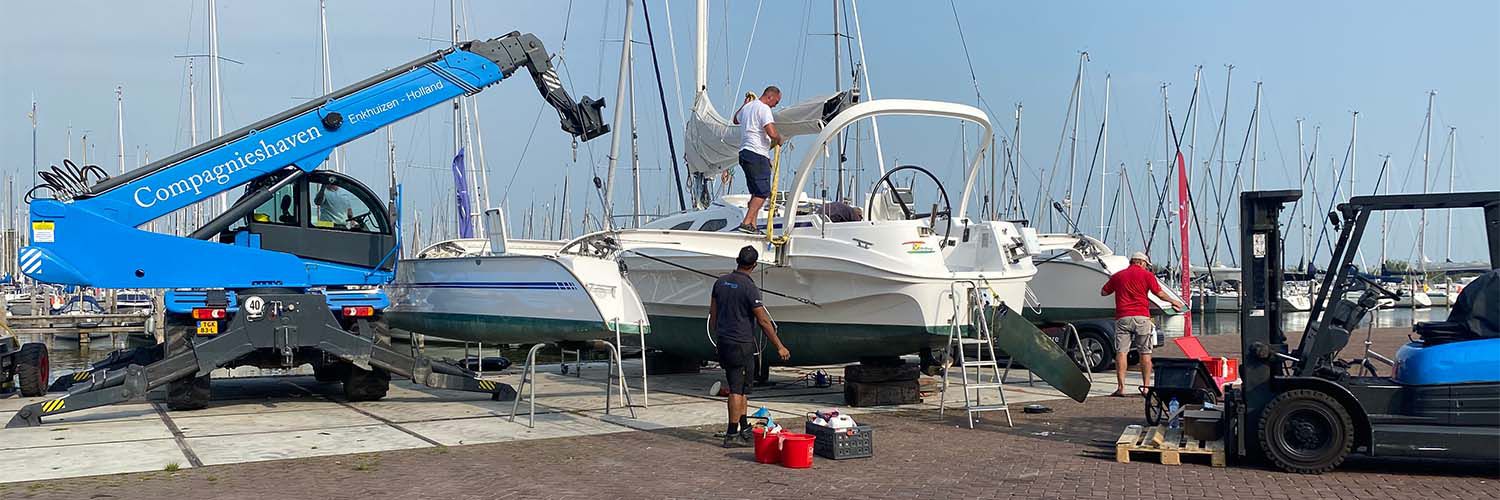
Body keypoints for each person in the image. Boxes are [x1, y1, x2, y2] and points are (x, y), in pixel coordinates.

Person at [708, 245, 791, 447]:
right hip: (742, 344)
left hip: (725, 342)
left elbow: (713, 315)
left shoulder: (720, 282)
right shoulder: (749, 287)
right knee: (737, 389)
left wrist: (719, 337)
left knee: (744, 388)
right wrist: (779, 346)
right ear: (754, 265)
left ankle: (744, 427)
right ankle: (731, 433)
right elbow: (763, 321)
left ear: (737, 260)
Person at [1100, 252, 1185, 397]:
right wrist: (1174, 301)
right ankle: (1146, 388)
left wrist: (1118, 287)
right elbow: (1159, 293)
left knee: (1122, 352)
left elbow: (1103, 292)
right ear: (1142, 262)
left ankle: (1121, 388)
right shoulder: (1147, 276)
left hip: (1123, 317)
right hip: (1142, 317)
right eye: (1146, 264)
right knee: (1145, 352)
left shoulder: (1118, 276)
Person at [731, 86, 785, 234]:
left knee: (755, 192)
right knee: (762, 192)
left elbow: (735, 119)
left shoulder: (748, 107)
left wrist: (744, 104)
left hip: (745, 153)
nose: (776, 105)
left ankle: (752, 226)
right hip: (757, 153)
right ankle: (746, 222)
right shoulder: (764, 108)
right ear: (770, 97)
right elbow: (771, 132)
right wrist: (780, 138)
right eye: (776, 101)